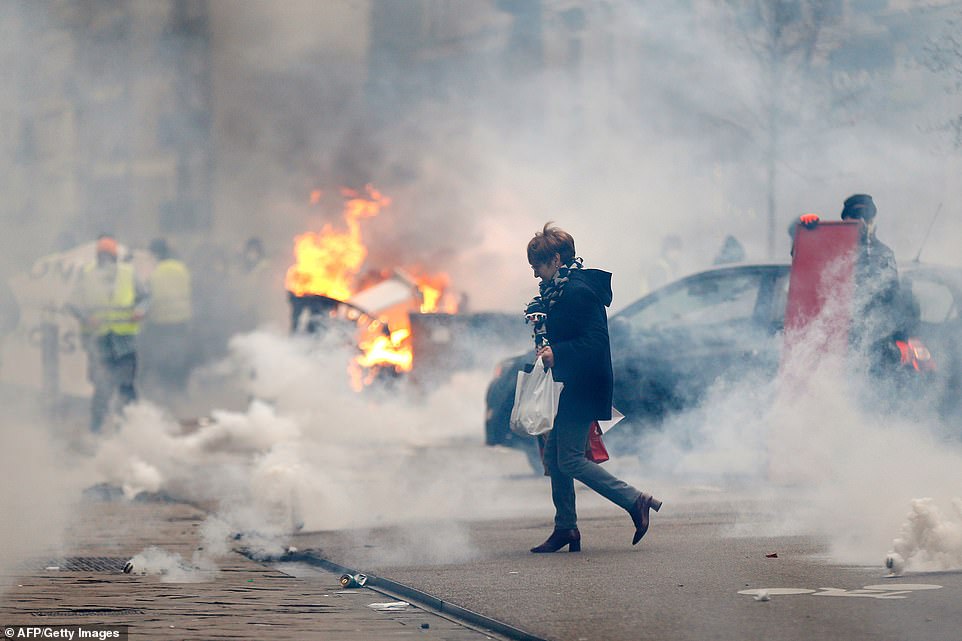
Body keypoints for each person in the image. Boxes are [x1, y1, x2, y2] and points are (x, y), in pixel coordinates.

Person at [524, 223, 662, 553]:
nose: (535, 275)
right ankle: (566, 529)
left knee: (569, 460)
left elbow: (596, 341)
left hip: (582, 385)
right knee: (556, 458)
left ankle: (635, 500)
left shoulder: (578, 291)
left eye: (538, 267)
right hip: (568, 383)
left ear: (555, 260)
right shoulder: (557, 291)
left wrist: (558, 352)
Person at [68, 234, 149, 432]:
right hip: (99, 342)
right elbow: (72, 304)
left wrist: (140, 310)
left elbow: (145, 297)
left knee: (126, 386)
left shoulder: (128, 274)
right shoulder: (87, 274)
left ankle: (130, 429)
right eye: (101, 256)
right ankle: (96, 429)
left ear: (114, 257)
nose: (105, 260)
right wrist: (87, 317)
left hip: (124, 342)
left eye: (107, 256)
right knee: (102, 388)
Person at [141, 238, 193, 400]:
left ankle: (165, 393)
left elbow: (147, 297)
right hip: (182, 320)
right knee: (180, 357)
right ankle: (180, 391)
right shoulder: (182, 268)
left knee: (162, 358)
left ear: (154, 254)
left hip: (160, 322)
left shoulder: (151, 272)